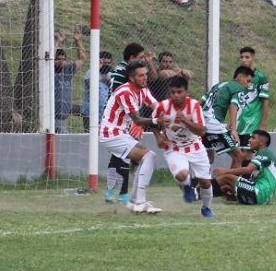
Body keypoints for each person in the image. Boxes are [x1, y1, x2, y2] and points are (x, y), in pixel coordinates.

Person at [99, 61, 161, 213]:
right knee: (149, 156)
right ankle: (139, 202)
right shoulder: (125, 92)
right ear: (132, 78)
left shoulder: (143, 89)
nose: (145, 78)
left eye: (145, 74)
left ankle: (134, 201)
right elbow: (137, 120)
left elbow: (158, 107)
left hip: (122, 133)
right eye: (141, 75)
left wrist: (174, 114)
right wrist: (158, 121)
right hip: (111, 134)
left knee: (147, 158)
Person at [152, 76, 216, 217]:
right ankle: (187, 186)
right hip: (173, 148)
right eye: (173, 92)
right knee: (182, 175)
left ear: (186, 92)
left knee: (205, 182)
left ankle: (206, 208)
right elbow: (153, 122)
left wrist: (186, 121)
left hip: (195, 147)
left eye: (179, 92)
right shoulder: (162, 106)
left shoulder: (194, 106)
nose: (175, 95)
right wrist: (158, 136)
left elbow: (201, 131)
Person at [200, 65, 253, 169]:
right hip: (214, 124)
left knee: (208, 158)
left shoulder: (219, 85)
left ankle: (196, 179)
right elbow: (233, 105)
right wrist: (234, 130)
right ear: (240, 77)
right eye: (248, 81)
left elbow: (201, 102)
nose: (248, 85)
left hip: (202, 124)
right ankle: (228, 179)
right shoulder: (238, 87)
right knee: (239, 156)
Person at [214, 130, 276, 205]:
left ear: (262, 142)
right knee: (226, 187)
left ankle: (203, 192)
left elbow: (248, 170)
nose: (249, 140)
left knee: (227, 177)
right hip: (263, 195)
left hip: (259, 192)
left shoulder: (264, 152)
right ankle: (206, 194)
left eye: (253, 138)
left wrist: (225, 171)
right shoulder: (266, 153)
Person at [53, 27, 86, 134]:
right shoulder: (49, 71)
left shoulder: (67, 70)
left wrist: (78, 41)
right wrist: (58, 42)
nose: (61, 62)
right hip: (51, 116)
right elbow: (49, 57)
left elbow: (82, 59)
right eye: (58, 59)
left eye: (63, 59)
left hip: (64, 117)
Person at [237, 47, 269, 151]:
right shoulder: (238, 77)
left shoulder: (260, 77)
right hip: (238, 124)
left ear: (253, 58)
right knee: (237, 155)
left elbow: (265, 101)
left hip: (251, 124)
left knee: (247, 154)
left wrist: (262, 125)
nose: (244, 60)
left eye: (247, 57)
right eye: (242, 57)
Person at [81, 50, 113, 132]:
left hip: (105, 113)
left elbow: (116, 89)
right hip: (90, 113)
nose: (106, 65)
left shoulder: (111, 75)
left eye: (108, 63)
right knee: (89, 134)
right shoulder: (91, 72)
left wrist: (109, 82)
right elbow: (90, 84)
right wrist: (98, 67)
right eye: (104, 63)